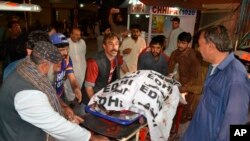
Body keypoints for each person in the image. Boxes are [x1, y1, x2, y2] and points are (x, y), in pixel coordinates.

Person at [0, 41, 92, 141]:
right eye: (57, 66)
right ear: (44, 65)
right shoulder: (28, 93)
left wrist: (63, 108)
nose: (58, 70)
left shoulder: (28, 67)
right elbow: (56, 126)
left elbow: (50, 92)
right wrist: (91, 137)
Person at [182, 25, 250, 141]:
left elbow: (236, 124)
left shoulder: (236, 78)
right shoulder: (214, 67)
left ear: (210, 46)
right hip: (196, 133)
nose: (198, 49)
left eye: (200, 45)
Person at [82, 33, 128, 105]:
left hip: (103, 93)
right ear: (104, 46)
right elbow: (88, 87)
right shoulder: (94, 62)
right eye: (110, 44)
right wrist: (95, 104)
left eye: (116, 44)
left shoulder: (116, 56)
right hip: (89, 97)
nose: (114, 47)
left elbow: (123, 64)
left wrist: (130, 75)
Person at [168, 32, 201, 133]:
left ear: (188, 44)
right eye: (179, 42)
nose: (180, 45)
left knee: (183, 113)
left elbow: (195, 75)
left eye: (183, 43)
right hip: (175, 86)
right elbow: (170, 69)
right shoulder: (174, 53)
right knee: (171, 109)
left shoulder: (193, 56)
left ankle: (180, 131)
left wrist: (186, 88)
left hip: (187, 88)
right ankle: (172, 128)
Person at [50, 33, 82, 103]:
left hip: (61, 94)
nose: (65, 52)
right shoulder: (46, 65)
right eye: (61, 50)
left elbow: (72, 78)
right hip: (50, 99)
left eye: (67, 49)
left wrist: (76, 88)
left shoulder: (66, 59)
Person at [64, 28, 86, 103]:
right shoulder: (66, 42)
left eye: (79, 35)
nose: (79, 36)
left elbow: (84, 53)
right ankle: (70, 101)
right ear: (71, 34)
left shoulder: (82, 42)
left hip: (81, 69)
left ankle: (77, 98)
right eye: (76, 35)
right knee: (69, 86)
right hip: (70, 69)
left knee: (79, 84)